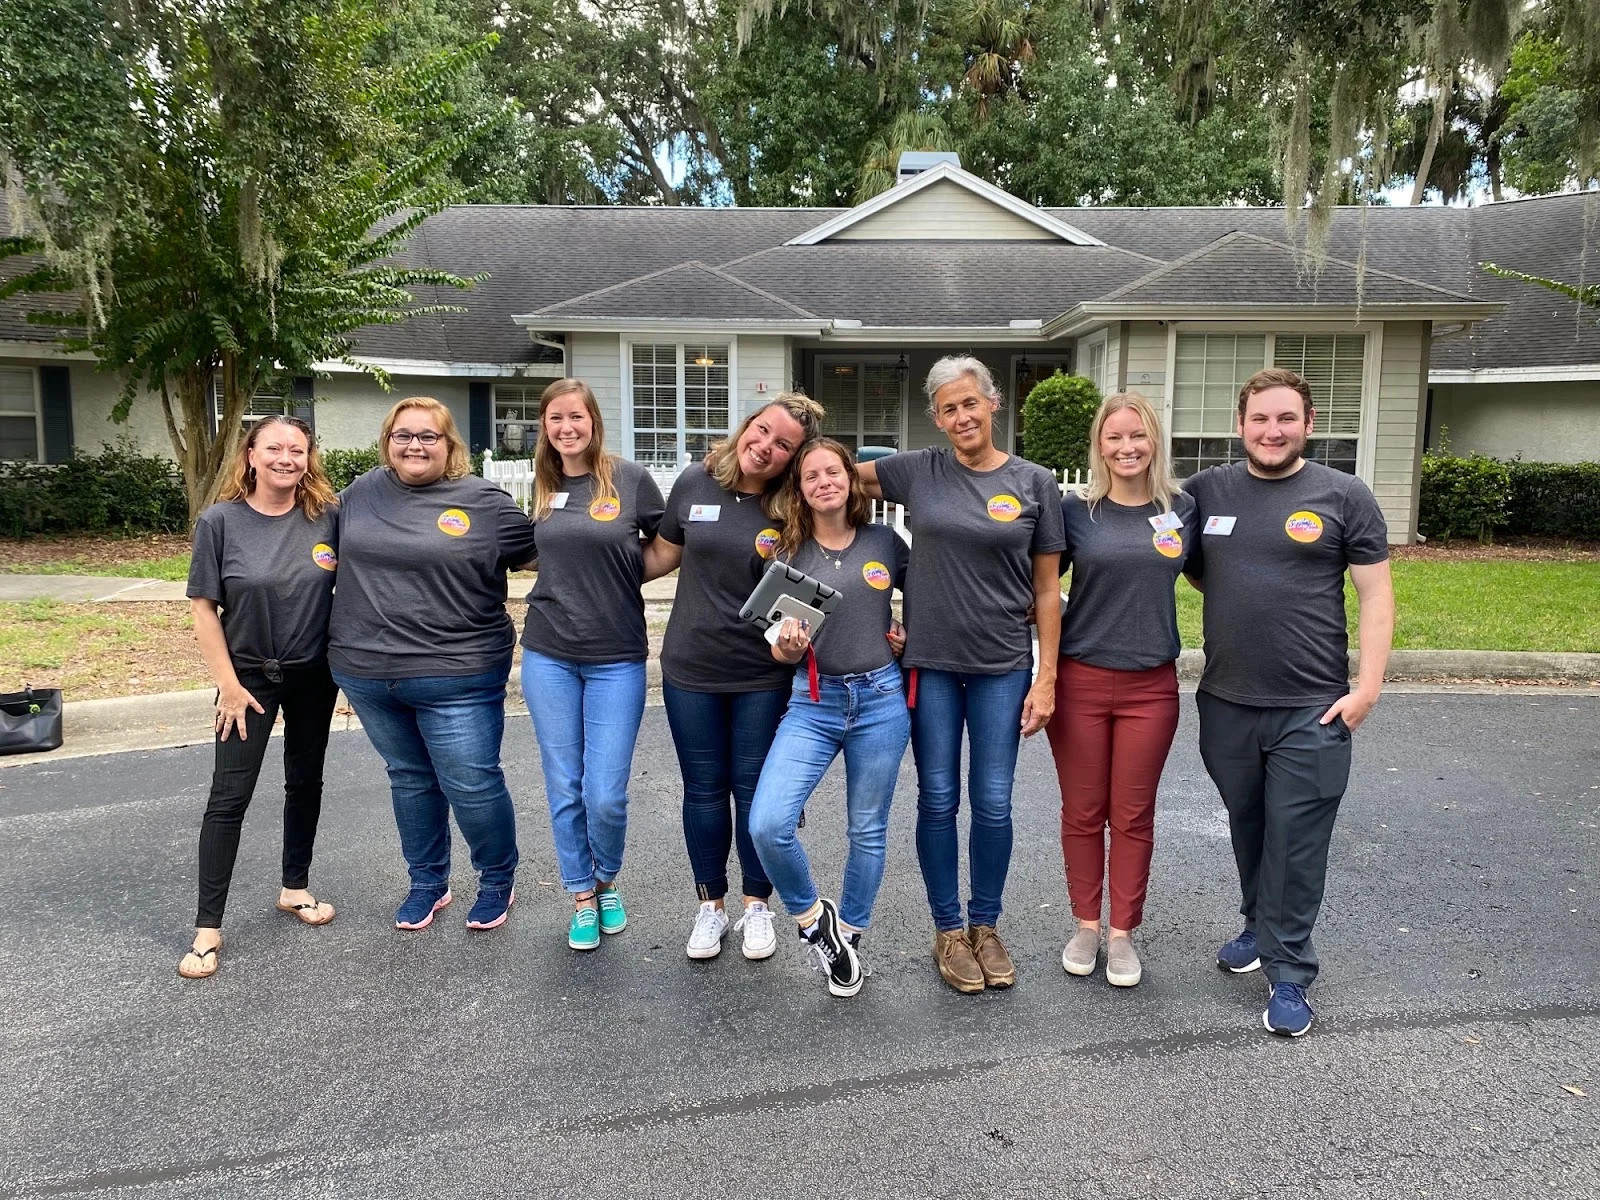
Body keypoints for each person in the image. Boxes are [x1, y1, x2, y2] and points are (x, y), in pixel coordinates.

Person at [1184, 366, 1394, 1037]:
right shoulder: (1205, 492)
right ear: (1240, 424)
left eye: (1285, 419)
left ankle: (1291, 972)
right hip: (1226, 702)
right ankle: (1257, 927)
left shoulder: (1344, 495)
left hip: (1312, 707)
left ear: (1308, 424)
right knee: (1249, 825)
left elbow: (1376, 595)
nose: (1271, 431)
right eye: (1260, 419)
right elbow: (1181, 562)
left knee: (1296, 841)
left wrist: (1368, 687)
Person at [857, 356, 1065, 994]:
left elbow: (1048, 588)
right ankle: (948, 929)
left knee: (994, 801)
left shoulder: (1035, 483)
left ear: (993, 403)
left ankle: (986, 924)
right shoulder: (918, 470)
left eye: (970, 403)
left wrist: (1047, 677)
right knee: (938, 798)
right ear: (937, 418)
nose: (962, 416)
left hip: (1003, 664)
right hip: (931, 664)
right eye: (949, 409)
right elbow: (830, 474)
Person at [329, 396, 538, 933]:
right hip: (367, 673)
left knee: (471, 783)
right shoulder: (360, 493)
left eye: (428, 436)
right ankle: (427, 882)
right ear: (387, 442)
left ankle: (496, 879)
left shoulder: (484, 502)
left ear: (450, 445)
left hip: (458, 673)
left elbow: (551, 554)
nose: (414, 445)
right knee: (409, 779)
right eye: (403, 435)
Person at [642, 392, 824, 962]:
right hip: (691, 667)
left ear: (795, 458)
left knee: (753, 792)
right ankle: (710, 907)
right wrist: (581, 561)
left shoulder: (794, 506)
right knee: (702, 789)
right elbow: (657, 558)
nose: (765, 447)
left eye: (783, 445)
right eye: (762, 430)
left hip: (761, 674)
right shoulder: (695, 483)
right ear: (748, 425)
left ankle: (756, 906)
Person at [178, 416, 340, 979]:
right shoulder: (220, 522)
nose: (285, 458)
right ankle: (207, 928)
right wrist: (228, 686)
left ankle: (294, 888)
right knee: (229, 797)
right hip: (247, 679)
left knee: (306, 782)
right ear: (250, 455)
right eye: (273, 448)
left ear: (308, 458)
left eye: (297, 449)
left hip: (314, 676)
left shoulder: (327, 517)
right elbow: (204, 609)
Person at [747, 439, 910, 998]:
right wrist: (788, 648)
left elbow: (929, 596)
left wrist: (908, 632)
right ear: (800, 489)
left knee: (867, 828)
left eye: (833, 471)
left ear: (850, 478)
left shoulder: (885, 542)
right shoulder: (786, 555)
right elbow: (776, 646)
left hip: (881, 700)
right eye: (811, 475)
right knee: (768, 823)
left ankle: (849, 937)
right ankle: (814, 921)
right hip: (813, 703)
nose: (824, 482)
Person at [1047, 392, 1197, 989]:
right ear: (1099, 445)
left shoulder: (1181, 509)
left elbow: (1220, 576)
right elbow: (1036, 587)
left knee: (1133, 815)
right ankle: (1086, 924)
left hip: (1151, 687)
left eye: (1138, 435)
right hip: (1081, 680)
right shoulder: (1074, 511)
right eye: (1114, 437)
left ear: (1154, 440)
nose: (1127, 447)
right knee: (1084, 812)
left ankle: (1121, 933)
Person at [520, 379, 665, 951]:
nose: (566, 427)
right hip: (549, 652)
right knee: (565, 784)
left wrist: (625, 575)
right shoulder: (543, 483)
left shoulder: (629, 479)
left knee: (605, 792)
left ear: (593, 421)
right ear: (545, 426)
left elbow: (668, 543)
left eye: (575, 416)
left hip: (616, 656)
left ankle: (607, 878)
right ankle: (582, 894)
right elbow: (536, 552)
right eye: (555, 418)